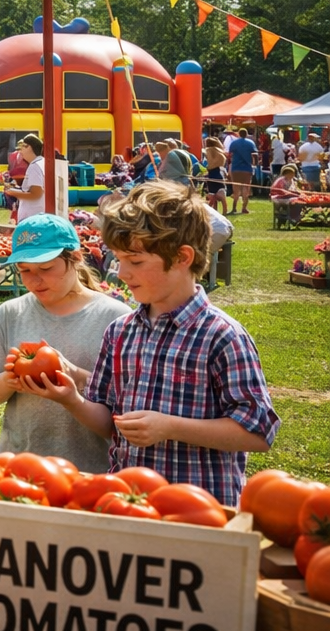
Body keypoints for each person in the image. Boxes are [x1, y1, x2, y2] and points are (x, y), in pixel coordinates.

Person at [24, 181, 278, 504]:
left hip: (199, 514)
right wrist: (72, 399)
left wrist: (170, 427)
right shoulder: (120, 332)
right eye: (119, 259)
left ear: (183, 257)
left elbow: (258, 432)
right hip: (128, 507)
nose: (122, 273)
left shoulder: (222, 337)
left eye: (136, 261)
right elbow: (111, 422)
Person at [0, 215, 130, 473]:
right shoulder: (10, 313)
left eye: (46, 269)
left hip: (90, 471)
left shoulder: (114, 317)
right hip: (20, 466)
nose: (35, 280)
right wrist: (8, 380)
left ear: (76, 258)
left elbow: (126, 399)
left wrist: (74, 376)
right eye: (25, 271)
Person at [4, 135, 47, 220]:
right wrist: (17, 189)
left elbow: (36, 194)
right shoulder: (42, 162)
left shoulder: (35, 166)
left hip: (32, 217)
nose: (20, 152)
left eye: (22, 148)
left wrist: (12, 192)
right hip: (39, 215)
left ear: (29, 147)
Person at [226, 132, 257, 214]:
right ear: (246, 134)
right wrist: (255, 165)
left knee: (236, 189)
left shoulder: (234, 143)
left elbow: (229, 154)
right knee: (245, 189)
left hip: (236, 168)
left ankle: (234, 208)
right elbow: (255, 154)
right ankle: (244, 208)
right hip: (247, 168)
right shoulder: (251, 143)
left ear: (239, 134)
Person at [202, 137, 228, 211]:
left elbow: (206, 164)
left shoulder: (207, 151)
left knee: (212, 198)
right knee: (222, 197)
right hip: (219, 175)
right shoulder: (220, 152)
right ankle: (225, 212)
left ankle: (210, 211)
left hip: (211, 176)